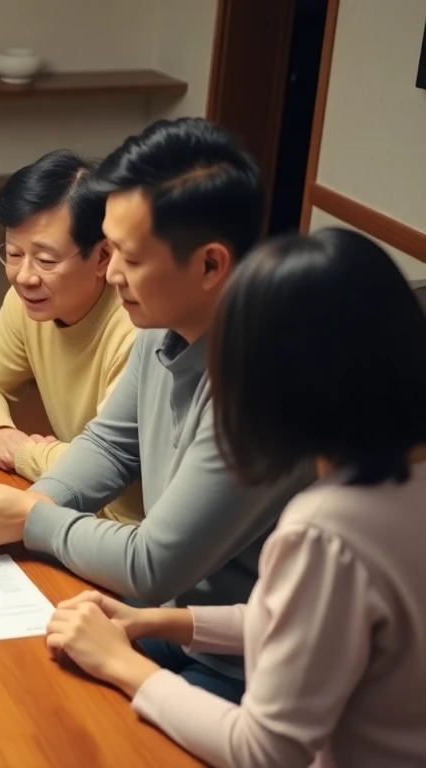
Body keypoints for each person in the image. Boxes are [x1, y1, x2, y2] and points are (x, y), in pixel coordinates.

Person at [0, 118, 311, 702]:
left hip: (247, 671)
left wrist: (32, 520)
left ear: (211, 265)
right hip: (166, 621)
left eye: (130, 256)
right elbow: (111, 444)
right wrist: (35, 502)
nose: (111, 272)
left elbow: (150, 563)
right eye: (110, 250)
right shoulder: (162, 320)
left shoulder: (261, 386)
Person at [45, 228, 426, 767]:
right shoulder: (402, 478)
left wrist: (124, 667)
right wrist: (157, 621)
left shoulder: (328, 526)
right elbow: (307, 620)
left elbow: (263, 751)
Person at [0, 149, 142, 523]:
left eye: (47, 260)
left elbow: (110, 464)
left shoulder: (136, 327)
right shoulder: (28, 303)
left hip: (123, 530)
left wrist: (23, 454)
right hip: (70, 506)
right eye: (14, 253)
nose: (24, 276)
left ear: (103, 256)